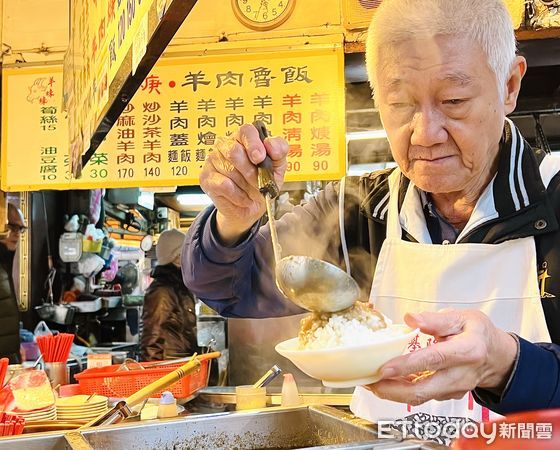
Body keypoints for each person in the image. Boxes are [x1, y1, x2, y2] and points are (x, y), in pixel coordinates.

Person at [182, 0, 560, 438]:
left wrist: (507, 363)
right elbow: (231, 289)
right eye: (400, 103)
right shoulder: (359, 209)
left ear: (509, 85)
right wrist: (234, 218)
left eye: (453, 100)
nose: (424, 132)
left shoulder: (552, 200)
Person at [141, 229, 199, 361]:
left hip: (180, 366)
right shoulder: (162, 291)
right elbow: (151, 339)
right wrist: (155, 377)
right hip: (170, 368)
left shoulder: (179, 287)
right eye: (186, 253)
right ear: (176, 257)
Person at [0, 203, 26, 364]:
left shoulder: (4, 264)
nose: (17, 234)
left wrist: (16, 348)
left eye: (21, 229)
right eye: (12, 227)